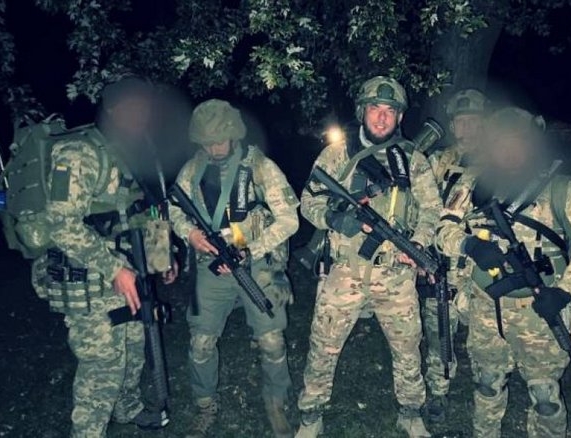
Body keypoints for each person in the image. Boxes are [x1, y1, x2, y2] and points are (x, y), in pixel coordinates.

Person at [435, 107, 571, 437]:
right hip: (486, 307)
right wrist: (469, 245)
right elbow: (443, 230)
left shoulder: (559, 188)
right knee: (487, 384)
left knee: (545, 396)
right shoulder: (472, 183)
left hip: (539, 311)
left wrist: (564, 291)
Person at [296, 76, 440, 438]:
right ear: (363, 111)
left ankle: (410, 412)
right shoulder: (337, 154)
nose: (382, 117)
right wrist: (336, 219)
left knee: (408, 349)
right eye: (375, 108)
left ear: (400, 117)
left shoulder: (412, 159)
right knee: (323, 346)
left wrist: (418, 244)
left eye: (390, 110)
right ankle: (311, 414)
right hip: (345, 271)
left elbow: (431, 211)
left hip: (396, 274)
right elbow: (308, 201)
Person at [33, 76, 177, 437]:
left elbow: (143, 210)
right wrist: (114, 269)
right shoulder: (79, 153)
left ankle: (128, 409)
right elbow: (62, 225)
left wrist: (162, 257)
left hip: (128, 273)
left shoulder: (131, 152)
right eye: (134, 110)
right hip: (89, 278)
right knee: (103, 366)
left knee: (134, 347)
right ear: (112, 110)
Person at [168, 99, 299, 438]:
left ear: (233, 134)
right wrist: (189, 234)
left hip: (255, 264)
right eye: (207, 142)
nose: (214, 148)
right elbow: (174, 209)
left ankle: (276, 402)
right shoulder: (192, 170)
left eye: (219, 141)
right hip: (210, 267)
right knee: (201, 343)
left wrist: (252, 249)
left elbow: (289, 220)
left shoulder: (259, 167)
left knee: (271, 341)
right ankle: (205, 405)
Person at [420, 88, 487, 423]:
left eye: (473, 120)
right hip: (441, 262)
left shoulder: (499, 161)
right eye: (461, 121)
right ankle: (439, 391)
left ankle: (487, 392)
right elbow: (420, 208)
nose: (467, 127)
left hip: (480, 265)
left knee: (485, 337)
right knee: (439, 333)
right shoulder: (437, 162)